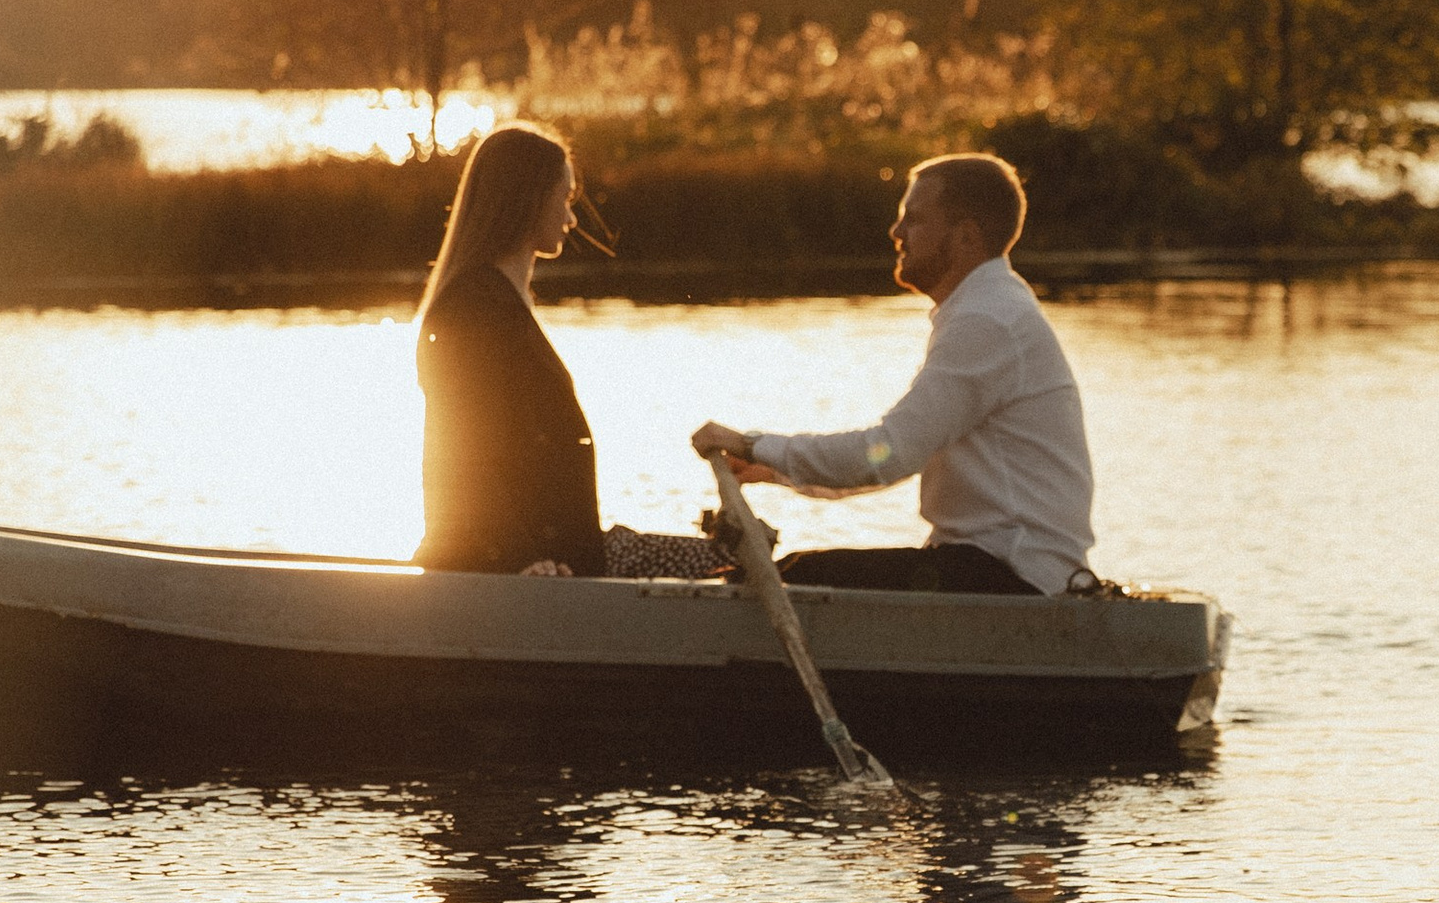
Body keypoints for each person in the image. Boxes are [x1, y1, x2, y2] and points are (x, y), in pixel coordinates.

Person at [691, 152, 1094, 594]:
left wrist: (753, 444)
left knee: (800, 577)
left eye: (914, 220)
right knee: (795, 573)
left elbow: (884, 455)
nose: (896, 233)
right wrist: (770, 468)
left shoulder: (988, 321)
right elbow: (889, 458)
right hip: (991, 566)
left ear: (965, 237)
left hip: (1015, 573)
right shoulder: (987, 309)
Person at [416, 122, 721, 580]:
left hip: (569, 550)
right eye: (564, 199)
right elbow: (467, 445)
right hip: (526, 564)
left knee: (736, 556)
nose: (571, 218)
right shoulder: (474, 310)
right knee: (729, 566)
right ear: (529, 198)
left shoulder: (504, 301)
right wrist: (516, 558)